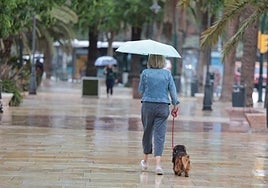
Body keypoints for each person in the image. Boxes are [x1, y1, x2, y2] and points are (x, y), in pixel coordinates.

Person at [138, 54, 179, 175]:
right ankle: (158, 165)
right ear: (162, 61)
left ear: (150, 60)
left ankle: (145, 162)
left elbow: (141, 90)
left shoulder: (145, 73)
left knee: (147, 132)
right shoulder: (167, 74)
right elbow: (173, 91)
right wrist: (175, 104)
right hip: (163, 106)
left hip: (148, 105)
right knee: (159, 135)